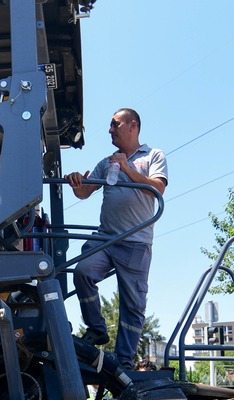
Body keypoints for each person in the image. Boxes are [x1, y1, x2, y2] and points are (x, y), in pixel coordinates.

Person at [66, 108, 167, 369]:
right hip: (106, 238)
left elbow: (157, 188)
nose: (110, 130)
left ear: (132, 126)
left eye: (115, 124)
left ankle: (124, 361)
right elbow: (85, 192)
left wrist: (126, 167)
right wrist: (77, 182)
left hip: (136, 241)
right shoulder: (106, 161)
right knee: (83, 272)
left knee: (132, 303)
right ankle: (97, 328)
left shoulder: (153, 156)